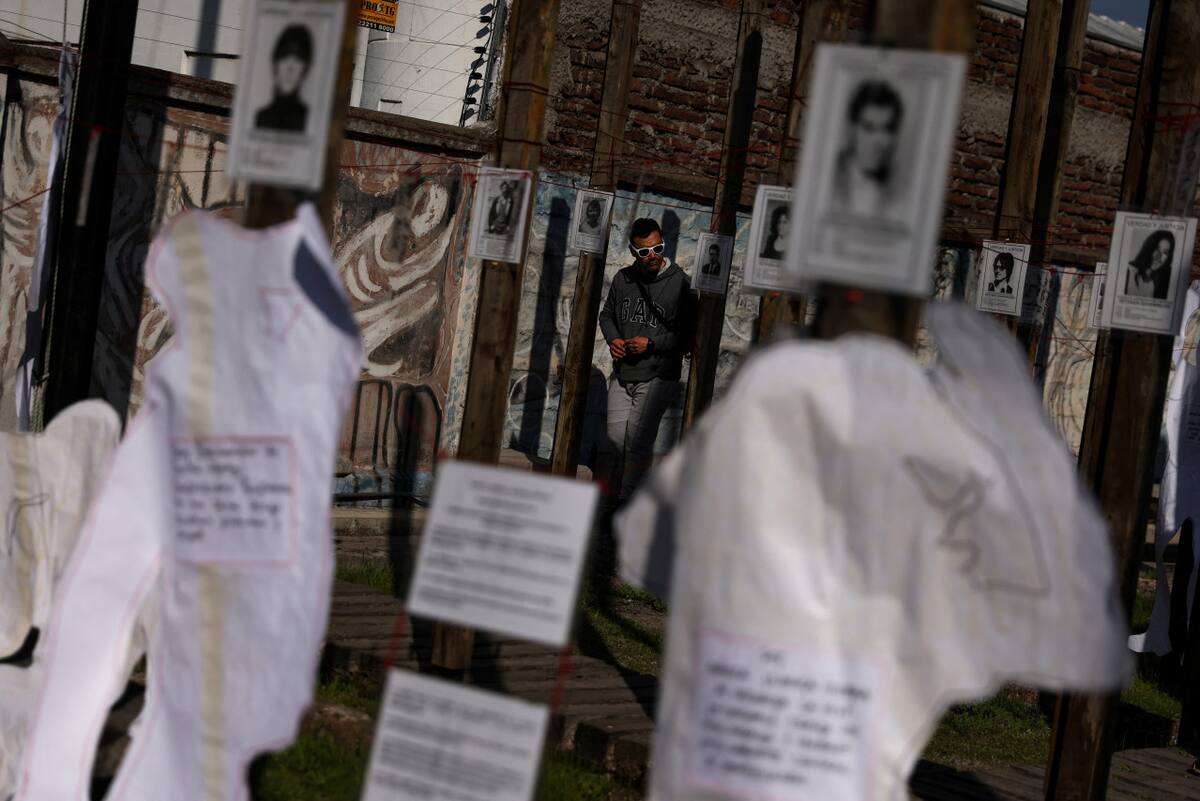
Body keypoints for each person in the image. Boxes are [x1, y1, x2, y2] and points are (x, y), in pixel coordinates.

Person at [598, 218, 696, 507]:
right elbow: (606, 315)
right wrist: (613, 339)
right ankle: (617, 498)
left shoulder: (681, 284)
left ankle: (626, 505)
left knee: (638, 444)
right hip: (623, 373)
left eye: (658, 248)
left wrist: (651, 344)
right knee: (615, 440)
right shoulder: (623, 279)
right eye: (644, 251)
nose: (652, 255)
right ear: (633, 251)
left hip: (658, 375)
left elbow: (688, 336)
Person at [832, 80, 904, 218]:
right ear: (852, 129)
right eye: (869, 127)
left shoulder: (898, 188)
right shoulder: (828, 176)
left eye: (887, 129)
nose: (878, 140)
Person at [255, 25, 313, 133]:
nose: (290, 67)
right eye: (285, 57)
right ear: (275, 63)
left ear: (305, 68)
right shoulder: (260, 118)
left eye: (298, 59)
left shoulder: (311, 121)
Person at [1124, 230, 1174, 300]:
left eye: (1165, 252)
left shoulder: (1152, 285)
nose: (1159, 256)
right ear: (1149, 248)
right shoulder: (1127, 271)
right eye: (1157, 249)